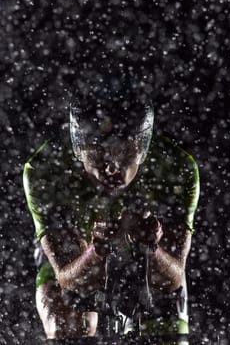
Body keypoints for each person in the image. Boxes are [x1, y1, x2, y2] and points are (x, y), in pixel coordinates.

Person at [23, 80, 200, 342]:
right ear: (79, 145)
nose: (112, 168)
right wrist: (97, 252)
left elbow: (171, 278)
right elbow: (70, 282)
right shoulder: (45, 170)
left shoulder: (177, 168)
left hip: (145, 259)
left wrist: (150, 247)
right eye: (99, 151)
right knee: (66, 324)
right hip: (78, 257)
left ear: (142, 146)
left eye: (124, 150)